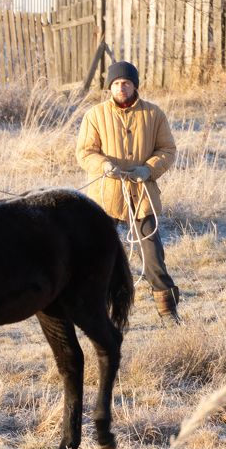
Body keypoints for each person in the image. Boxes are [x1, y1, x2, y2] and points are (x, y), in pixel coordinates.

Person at [76, 61, 181, 324]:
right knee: (98, 257)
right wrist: (103, 165)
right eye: (115, 83)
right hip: (106, 196)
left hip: (142, 194)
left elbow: (167, 150)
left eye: (126, 83)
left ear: (135, 85)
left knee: (153, 257)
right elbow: (85, 152)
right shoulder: (95, 115)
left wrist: (148, 169)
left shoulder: (154, 114)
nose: (121, 87)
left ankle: (168, 312)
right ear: (109, 87)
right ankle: (94, 313)